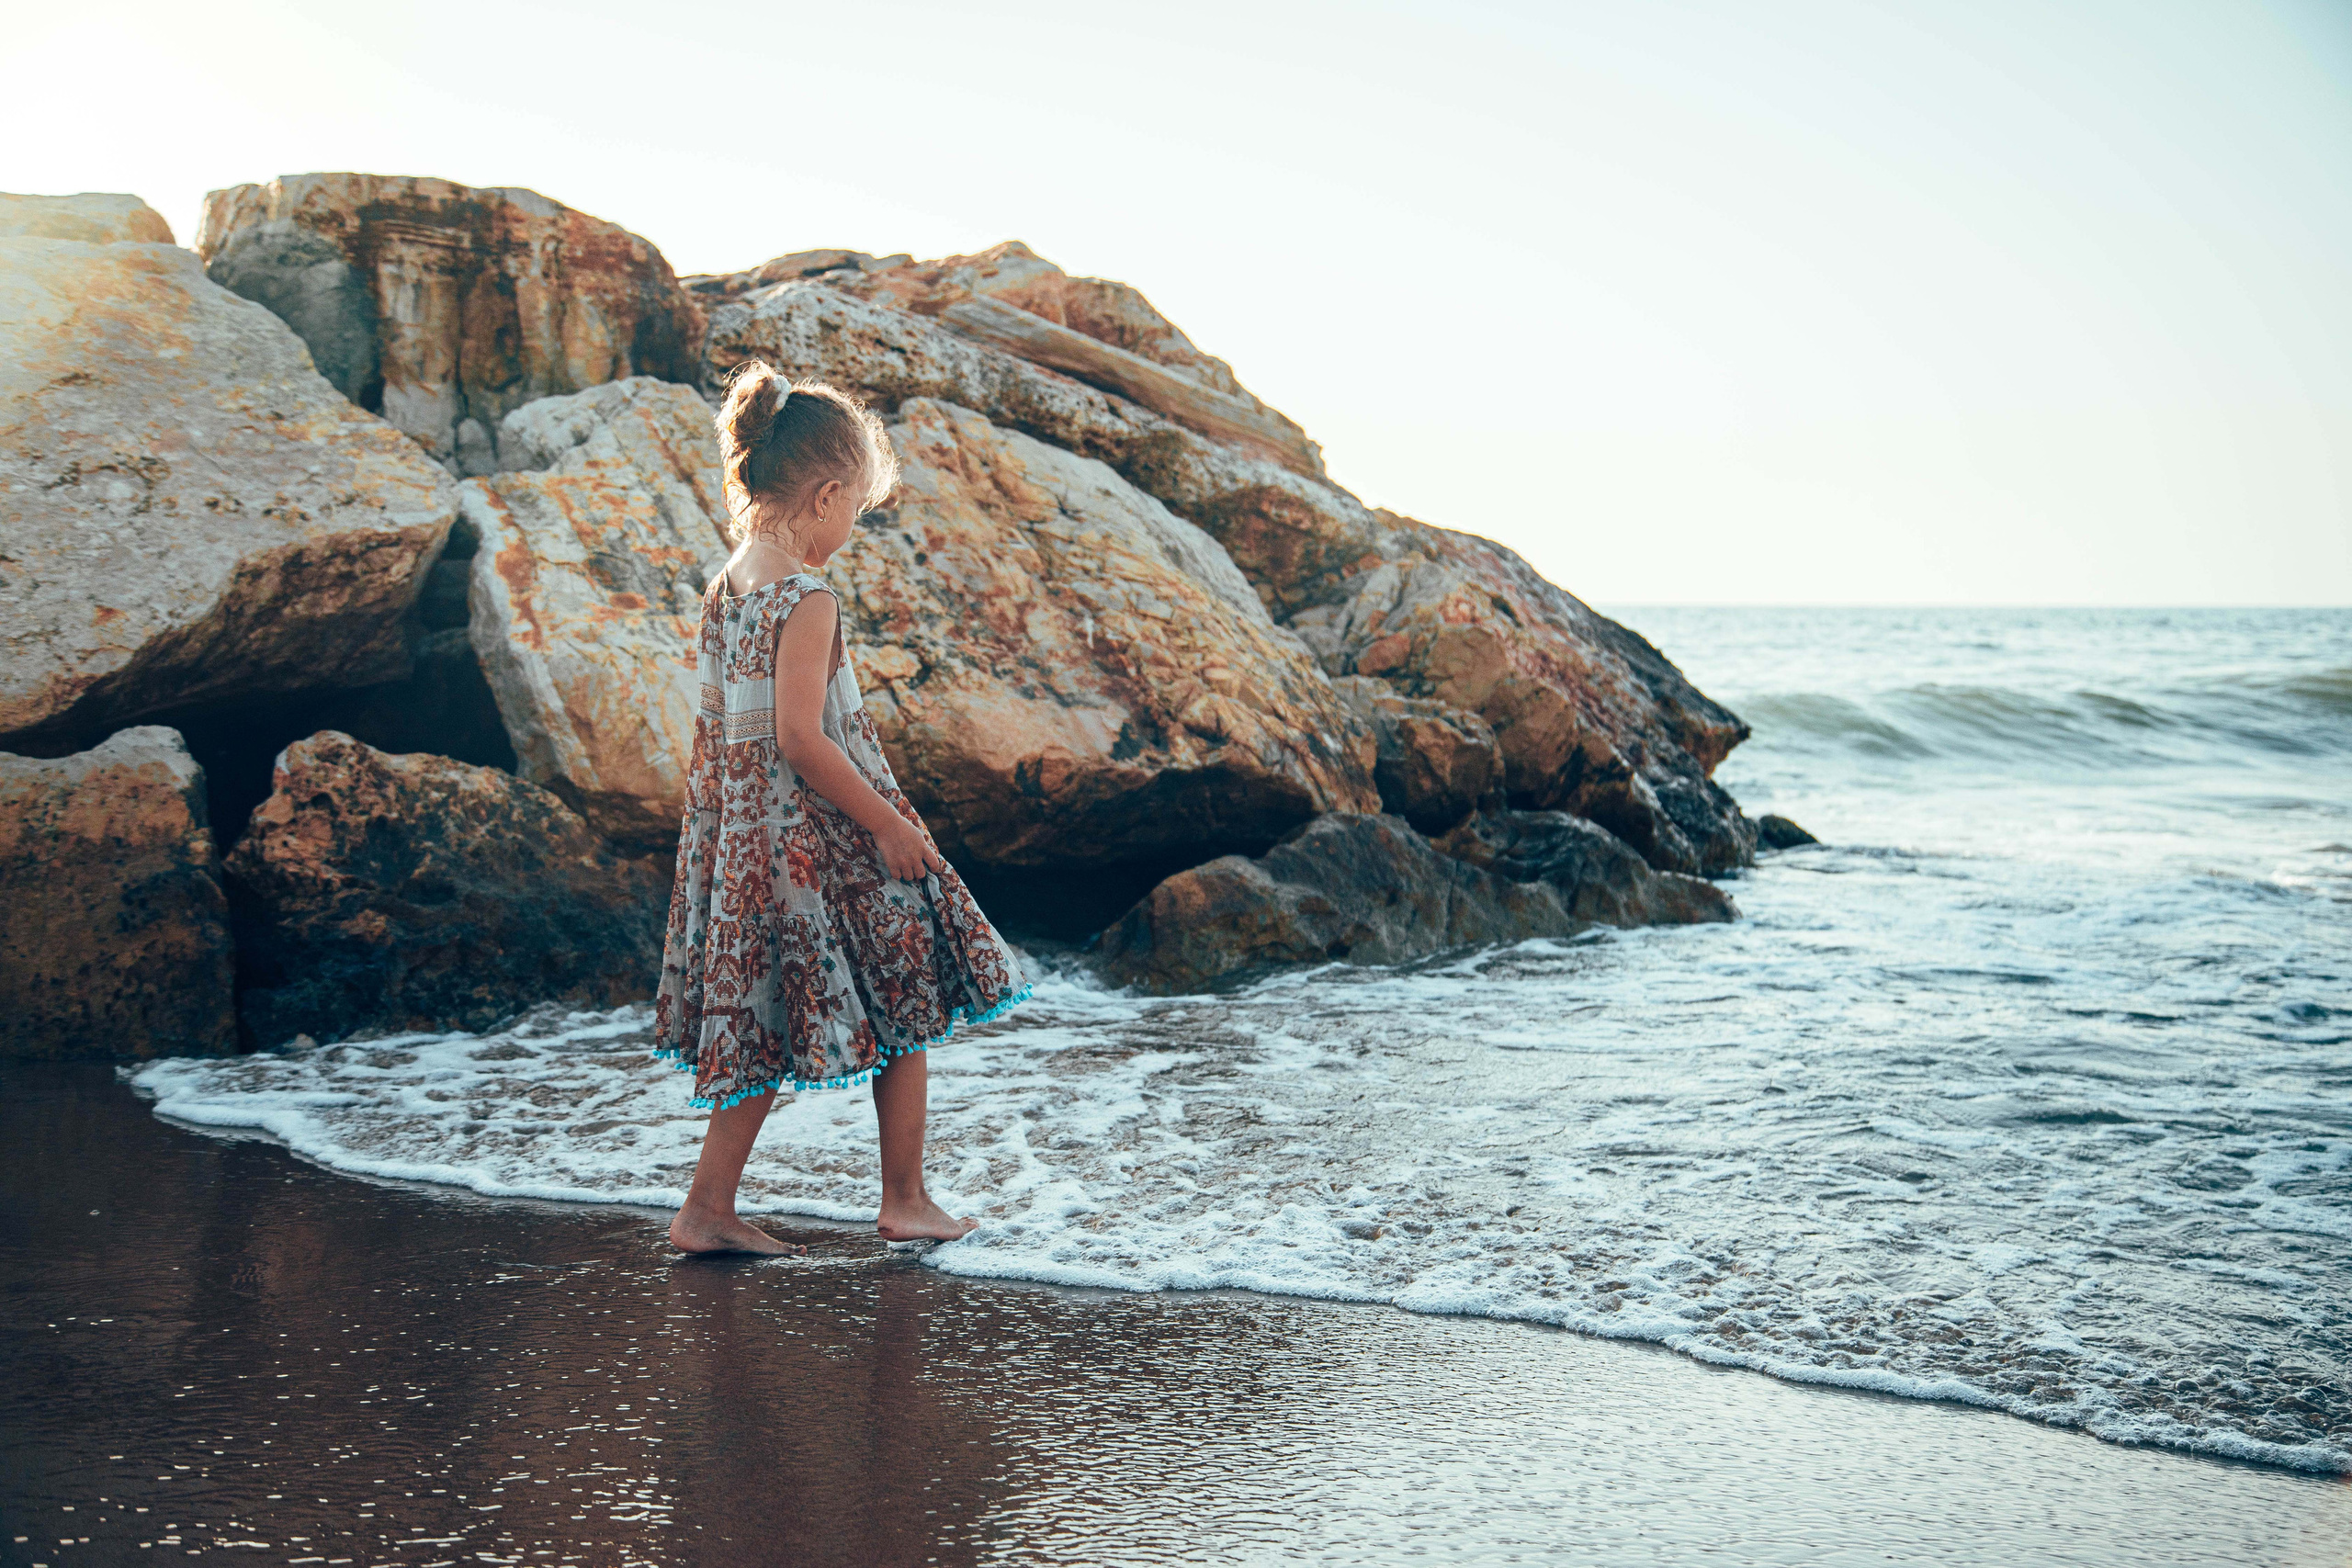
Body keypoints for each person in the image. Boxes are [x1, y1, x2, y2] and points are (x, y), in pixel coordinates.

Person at [653, 361, 1031, 1255]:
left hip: (742, 840)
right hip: (815, 839)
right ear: (824, 495)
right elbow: (802, 739)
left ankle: (707, 1209)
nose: (850, 530)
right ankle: (905, 1197)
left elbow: (731, 736)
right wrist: (892, 826)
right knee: (911, 983)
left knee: (757, 1017)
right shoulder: (806, 596)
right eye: (855, 510)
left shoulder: (728, 582)